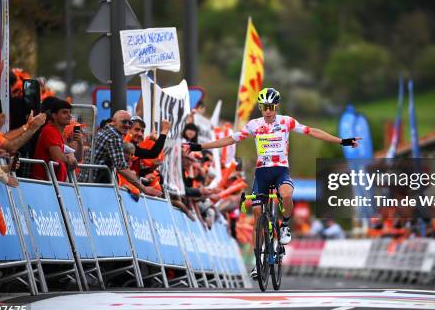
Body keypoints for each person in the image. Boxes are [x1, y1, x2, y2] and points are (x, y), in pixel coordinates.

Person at [187, 87, 360, 278]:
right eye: (264, 107)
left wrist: (342, 141)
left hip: (281, 172)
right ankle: (257, 262)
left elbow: (312, 132)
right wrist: (200, 146)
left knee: (286, 195)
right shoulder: (254, 125)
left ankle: (284, 223)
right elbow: (230, 139)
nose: (268, 110)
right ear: (260, 108)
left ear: (276, 106)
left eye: (271, 107)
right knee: (256, 215)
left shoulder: (286, 122)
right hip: (261, 173)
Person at [92, 110, 145, 193]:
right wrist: (144, 189)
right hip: (95, 185)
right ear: (114, 122)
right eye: (124, 122)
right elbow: (121, 167)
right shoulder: (114, 136)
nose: (127, 125)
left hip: (91, 183)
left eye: (129, 123)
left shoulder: (106, 131)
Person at [31, 99, 77, 182]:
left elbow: (77, 157)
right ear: (54, 115)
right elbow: (57, 157)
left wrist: (73, 152)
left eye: (70, 112)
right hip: (45, 184)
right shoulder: (49, 130)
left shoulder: (56, 132)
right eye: (64, 112)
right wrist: (69, 157)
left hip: (53, 183)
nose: (69, 115)